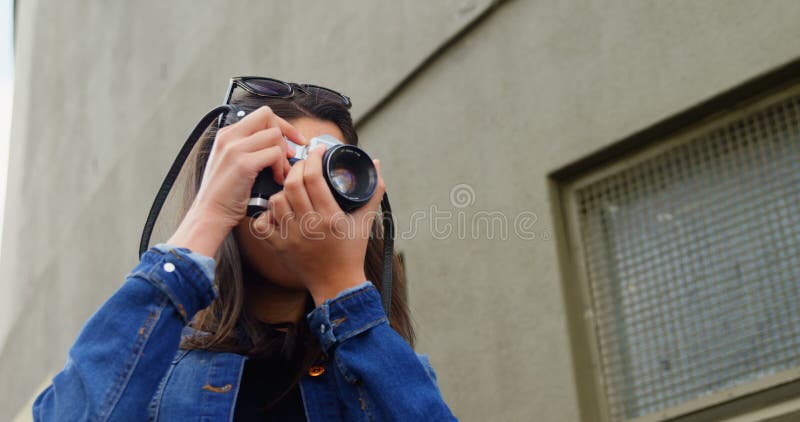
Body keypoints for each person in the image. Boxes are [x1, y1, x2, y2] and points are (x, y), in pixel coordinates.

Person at [32, 77, 457, 421]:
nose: (306, 196)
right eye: (281, 169)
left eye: (330, 178)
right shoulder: (153, 370)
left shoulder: (391, 371)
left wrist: (343, 289)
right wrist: (207, 217)